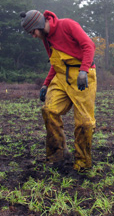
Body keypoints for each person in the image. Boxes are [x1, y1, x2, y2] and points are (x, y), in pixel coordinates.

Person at [20, 10, 97, 171]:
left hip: (83, 76)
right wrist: (45, 84)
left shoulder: (67, 25)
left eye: (32, 32)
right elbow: (56, 63)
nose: (33, 36)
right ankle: (58, 156)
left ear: (39, 24)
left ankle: (83, 164)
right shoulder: (46, 39)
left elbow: (89, 45)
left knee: (84, 122)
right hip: (61, 77)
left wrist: (84, 70)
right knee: (49, 110)